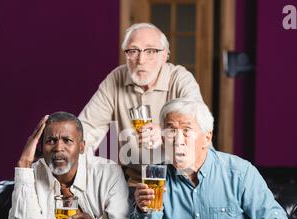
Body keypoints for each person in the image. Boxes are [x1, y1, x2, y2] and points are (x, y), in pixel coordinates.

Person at [130, 99, 294, 219]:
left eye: (187, 130)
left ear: (206, 138)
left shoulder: (239, 172)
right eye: (171, 131)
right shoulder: (156, 177)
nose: (178, 140)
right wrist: (144, 210)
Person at [78, 22, 203, 182]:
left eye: (150, 51)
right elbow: (87, 130)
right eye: (133, 51)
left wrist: (166, 132)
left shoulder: (180, 79)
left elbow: (199, 125)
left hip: (178, 180)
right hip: (134, 183)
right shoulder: (116, 78)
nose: (141, 60)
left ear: (164, 55)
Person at [9, 112, 129, 219]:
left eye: (67, 140)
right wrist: (24, 163)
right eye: (50, 141)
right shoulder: (30, 174)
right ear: (41, 148)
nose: (58, 148)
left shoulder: (108, 173)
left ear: (82, 147)